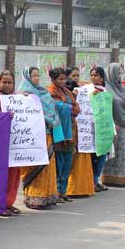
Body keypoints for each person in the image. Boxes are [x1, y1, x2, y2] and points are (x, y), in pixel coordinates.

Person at [17, 67, 60, 209]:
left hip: (47, 132)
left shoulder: (43, 92)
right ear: (27, 77)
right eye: (33, 76)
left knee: (48, 164)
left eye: (37, 76)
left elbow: (52, 110)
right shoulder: (23, 94)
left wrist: (49, 119)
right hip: (33, 135)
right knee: (34, 165)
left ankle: (48, 195)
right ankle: (34, 196)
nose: (36, 78)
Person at [101, 63, 125, 187]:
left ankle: (122, 177)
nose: (119, 76)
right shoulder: (105, 88)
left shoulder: (122, 88)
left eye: (121, 73)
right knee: (112, 152)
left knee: (122, 152)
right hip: (112, 125)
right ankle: (109, 177)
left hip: (123, 126)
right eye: (118, 73)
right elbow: (106, 107)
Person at [0, 70, 23, 215]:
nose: (7, 85)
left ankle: (9, 202)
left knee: (14, 173)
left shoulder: (17, 99)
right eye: (4, 82)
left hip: (16, 141)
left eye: (10, 82)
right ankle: (0, 205)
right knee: (2, 174)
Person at [47, 67, 78, 202]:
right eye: (60, 79)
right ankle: (56, 191)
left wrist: (70, 107)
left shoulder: (67, 91)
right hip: (58, 131)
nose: (63, 81)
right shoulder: (50, 92)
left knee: (67, 162)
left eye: (65, 78)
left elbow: (77, 108)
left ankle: (63, 191)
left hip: (70, 131)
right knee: (58, 163)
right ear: (53, 80)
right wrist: (69, 107)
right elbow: (55, 106)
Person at [66, 67, 96, 197]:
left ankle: (84, 187)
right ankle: (72, 189)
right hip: (73, 129)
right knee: (73, 160)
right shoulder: (66, 91)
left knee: (83, 158)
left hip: (84, 132)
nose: (76, 78)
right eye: (73, 75)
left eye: (78, 75)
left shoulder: (82, 90)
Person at [85, 66, 112, 191]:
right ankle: (91, 181)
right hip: (90, 128)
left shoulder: (105, 92)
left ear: (102, 78)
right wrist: (90, 96)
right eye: (92, 75)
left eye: (96, 75)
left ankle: (96, 179)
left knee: (102, 155)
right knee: (92, 157)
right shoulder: (87, 90)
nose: (94, 77)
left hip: (103, 129)